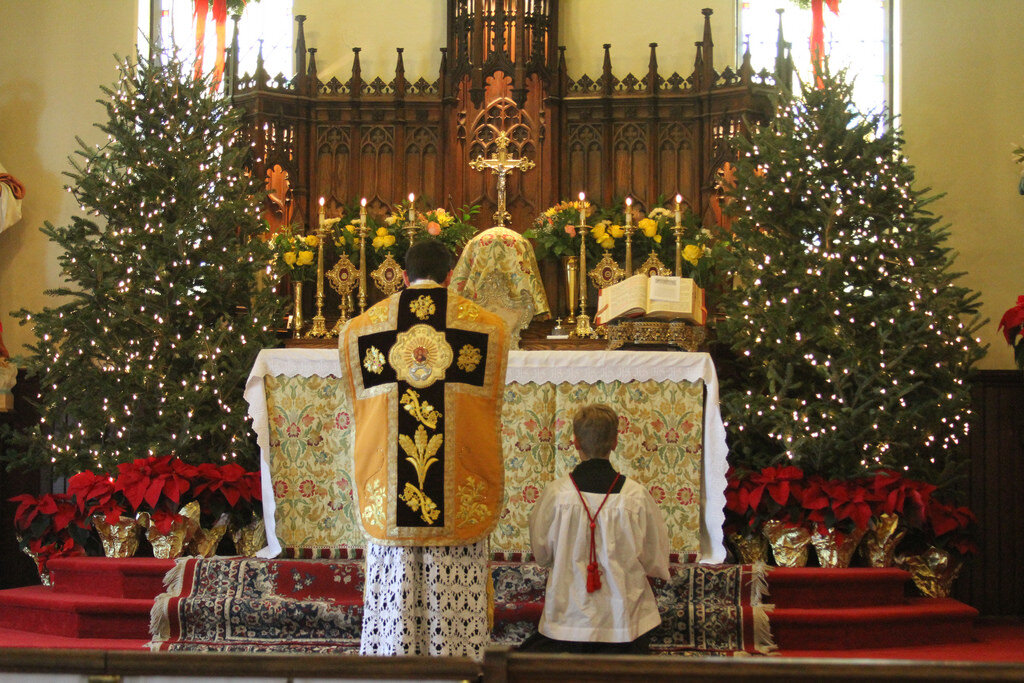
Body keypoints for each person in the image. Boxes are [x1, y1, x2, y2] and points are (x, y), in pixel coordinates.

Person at [338, 238, 509, 659]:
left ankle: (391, 660)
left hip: (393, 497)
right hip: (454, 496)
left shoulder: (364, 327)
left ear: (403, 274)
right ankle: (459, 660)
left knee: (395, 591)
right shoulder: (484, 326)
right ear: (450, 274)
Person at [523, 403, 670, 654]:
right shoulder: (635, 496)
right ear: (615, 442)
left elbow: (543, 554)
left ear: (576, 443)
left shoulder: (557, 494)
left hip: (567, 622)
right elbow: (653, 558)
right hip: (623, 624)